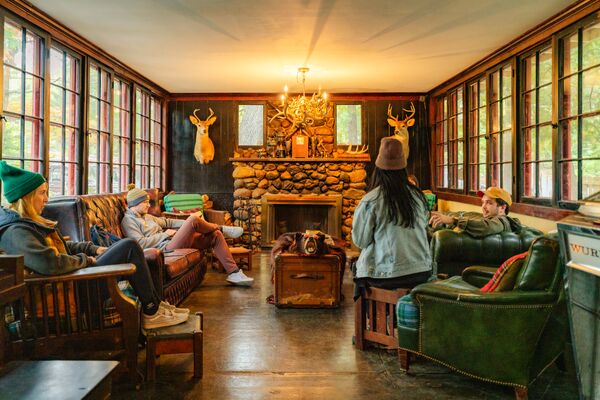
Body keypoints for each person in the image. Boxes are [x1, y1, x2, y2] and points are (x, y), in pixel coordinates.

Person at [0, 161, 188, 330]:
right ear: (26, 197)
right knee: (129, 246)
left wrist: (94, 249)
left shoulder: (29, 224)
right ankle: (152, 311)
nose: (47, 199)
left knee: (130, 248)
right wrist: (85, 260)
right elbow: (49, 263)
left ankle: (154, 305)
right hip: (69, 292)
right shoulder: (16, 232)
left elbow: (66, 246)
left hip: (74, 283)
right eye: (42, 193)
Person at [121, 186, 253, 286]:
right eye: (145, 202)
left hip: (173, 239)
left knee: (215, 235)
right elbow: (139, 243)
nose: (149, 205)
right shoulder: (128, 221)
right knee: (193, 220)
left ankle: (234, 273)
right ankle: (221, 227)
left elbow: (168, 221)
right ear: (135, 203)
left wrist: (186, 227)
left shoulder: (147, 216)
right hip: (164, 247)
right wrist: (164, 235)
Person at [352, 137, 432, 297]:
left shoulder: (371, 200)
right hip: (421, 273)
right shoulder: (418, 196)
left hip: (388, 277)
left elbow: (360, 241)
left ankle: (375, 320)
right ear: (403, 168)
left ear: (378, 169)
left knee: (359, 269)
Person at [428, 186, 522, 238]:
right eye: (483, 202)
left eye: (489, 203)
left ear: (502, 208)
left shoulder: (502, 221)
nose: (483, 207)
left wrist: (453, 220)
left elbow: (487, 227)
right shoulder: (491, 219)